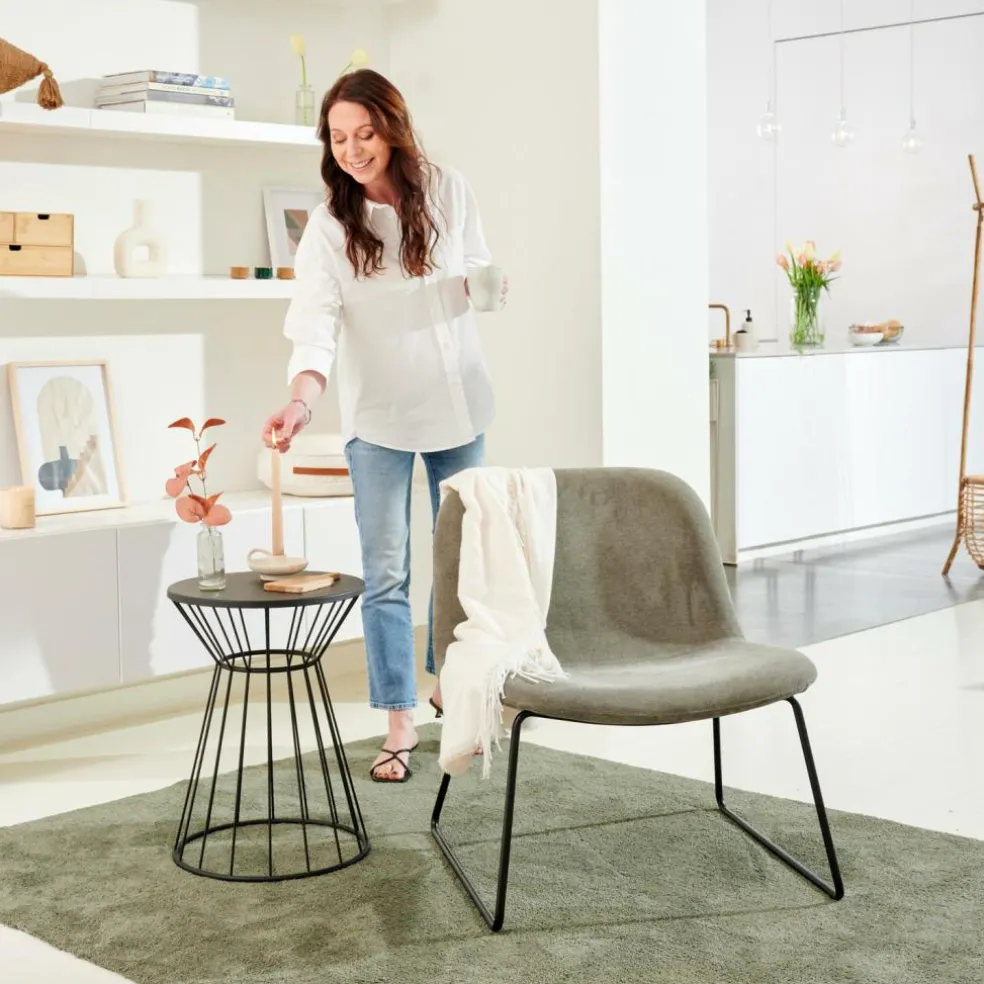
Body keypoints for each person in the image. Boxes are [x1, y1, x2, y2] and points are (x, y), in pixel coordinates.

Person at [261, 69, 506, 783]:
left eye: (364, 133)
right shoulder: (329, 227)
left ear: (393, 129)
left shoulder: (448, 189)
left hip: (458, 403)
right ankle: (399, 720)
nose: (353, 150)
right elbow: (315, 327)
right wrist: (301, 402)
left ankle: (450, 689)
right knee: (387, 573)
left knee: (460, 567)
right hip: (378, 417)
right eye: (339, 138)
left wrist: (486, 287)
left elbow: (478, 269)